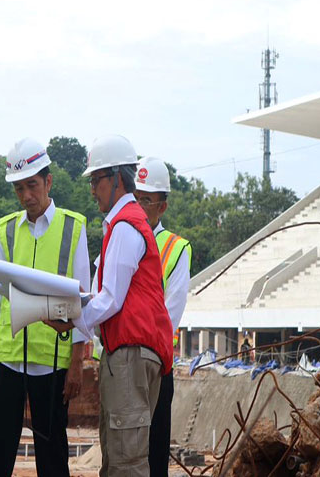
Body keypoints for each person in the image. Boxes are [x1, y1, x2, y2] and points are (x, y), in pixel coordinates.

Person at [46, 135, 173, 477]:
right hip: (134, 352)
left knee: (124, 463)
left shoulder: (125, 226)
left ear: (117, 177)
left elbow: (111, 299)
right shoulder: (129, 223)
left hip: (130, 355)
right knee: (120, 455)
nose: (92, 190)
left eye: (96, 180)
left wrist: (71, 319)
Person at [0, 138, 89, 477]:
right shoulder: (7, 229)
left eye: (32, 185)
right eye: (19, 188)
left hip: (53, 361)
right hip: (10, 358)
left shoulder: (74, 228)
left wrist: (77, 362)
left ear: (48, 182)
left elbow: (82, 301)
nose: (26, 195)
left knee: (52, 453)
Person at [133, 157, 192, 477]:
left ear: (162, 207)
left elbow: (172, 311)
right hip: (123, 361)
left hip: (157, 362)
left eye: (146, 200)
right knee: (124, 446)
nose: (139, 206)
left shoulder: (176, 248)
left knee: (154, 451)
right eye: (135, 197)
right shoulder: (119, 236)